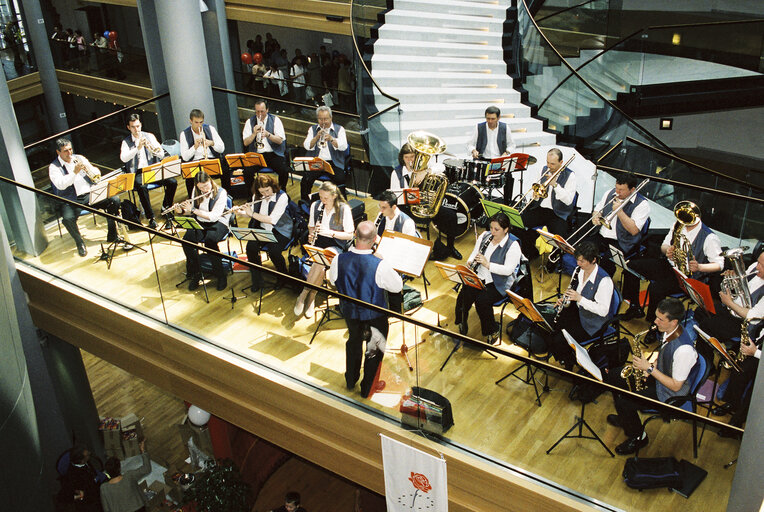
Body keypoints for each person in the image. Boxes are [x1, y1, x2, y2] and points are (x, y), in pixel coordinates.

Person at [606, 297, 699, 455]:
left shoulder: (684, 350)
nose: (655, 321)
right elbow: (665, 357)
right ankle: (626, 419)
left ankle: (638, 437)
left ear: (674, 322)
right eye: (656, 316)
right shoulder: (668, 332)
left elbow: (676, 386)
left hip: (670, 393)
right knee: (615, 376)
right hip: (661, 376)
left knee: (624, 403)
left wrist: (649, 369)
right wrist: (653, 365)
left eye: (660, 319)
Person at [329, 220, 403, 397]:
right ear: (375, 239)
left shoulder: (339, 259)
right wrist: (384, 261)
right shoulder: (380, 264)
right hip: (374, 316)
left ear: (355, 235)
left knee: (354, 342)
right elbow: (397, 286)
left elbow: (333, 281)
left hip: (349, 312)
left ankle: (350, 379)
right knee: (374, 350)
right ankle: (367, 388)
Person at [622, 204, 723, 322]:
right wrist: (667, 250)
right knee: (630, 266)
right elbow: (664, 246)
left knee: (656, 289)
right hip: (669, 266)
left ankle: (653, 325)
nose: (684, 220)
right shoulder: (678, 224)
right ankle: (634, 306)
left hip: (687, 276)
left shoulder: (709, 237)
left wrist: (699, 267)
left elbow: (719, 265)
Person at [541, 241, 616, 368]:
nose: (578, 264)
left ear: (593, 260)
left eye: (582, 261)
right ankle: (564, 356)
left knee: (560, 339)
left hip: (593, 323)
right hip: (579, 311)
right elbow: (574, 292)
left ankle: (569, 362)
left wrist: (580, 299)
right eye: (577, 260)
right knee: (549, 327)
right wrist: (565, 300)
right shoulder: (579, 270)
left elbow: (603, 311)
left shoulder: (604, 281)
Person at [455, 212, 524, 345]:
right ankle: (461, 321)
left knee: (482, 301)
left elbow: (508, 270)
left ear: (506, 229)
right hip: (480, 275)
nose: (492, 232)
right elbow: (475, 252)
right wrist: (470, 263)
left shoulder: (513, 245)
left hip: (499, 282)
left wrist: (488, 264)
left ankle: (491, 330)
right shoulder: (485, 236)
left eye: (496, 229)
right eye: (491, 228)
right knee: (464, 294)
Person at [49, 138, 120, 257]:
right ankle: (79, 242)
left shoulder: (79, 158)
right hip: (71, 200)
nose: (69, 153)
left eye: (70, 149)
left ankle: (112, 233)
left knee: (114, 200)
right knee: (67, 219)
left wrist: (90, 170)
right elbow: (61, 185)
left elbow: (95, 172)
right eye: (65, 151)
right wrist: (74, 173)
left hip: (89, 194)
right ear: (58, 152)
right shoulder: (54, 167)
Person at [294, 182, 354, 318]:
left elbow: (350, 235)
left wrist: (330, 232)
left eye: (325, 198)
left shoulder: (344, 209)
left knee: (320, 261)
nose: (322, 200)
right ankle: (311, 299)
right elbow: (311, 226)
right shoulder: (316, 206)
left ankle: (304, 295)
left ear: (334, 196)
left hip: (337, 243)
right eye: (320, 197)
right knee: (319, 264)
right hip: (319, 241)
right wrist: (310, 235)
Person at [391, 143, 461, 259]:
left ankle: (450, 247)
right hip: (407, 208)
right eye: (406, 157)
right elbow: (395, 197)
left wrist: (426, 172)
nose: (410, 160)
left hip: (425, 204)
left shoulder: (423, 168)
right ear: (402, 158)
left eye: (412, 157)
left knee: (451, 216)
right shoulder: (396, 173)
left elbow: (441, 167)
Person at [516, 147, 576, 261]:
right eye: (547, 162)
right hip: (541, 209)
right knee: (518, 222)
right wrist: (535, 196)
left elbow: (568, 200)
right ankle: (530, 251)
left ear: (561, 163)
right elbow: (536, 188)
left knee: (558, 237)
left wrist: (556, 185)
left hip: (558, 213)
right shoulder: (544, 170)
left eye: (552, 164)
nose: (549, 166)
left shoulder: (570, 176)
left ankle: (553, 260)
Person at [697, 250, 764, 351]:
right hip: (732, 309)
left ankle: (707, 358)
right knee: (700, 310)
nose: (757, 267)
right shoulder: (755, 266)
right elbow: (743, 282)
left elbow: (753, 316)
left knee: (707, 326)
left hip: (744, 324)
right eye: (758, 262)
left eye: (762, 266)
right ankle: (712, 345)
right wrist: (734, 278)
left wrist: (729, 303)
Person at [174, 171, 230, 292]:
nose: (204, 190)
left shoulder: (221, 193)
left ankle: (221, 275)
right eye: (201, 187)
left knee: (210, 241)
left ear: (210, 180)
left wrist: (193, 209)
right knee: (187, 241)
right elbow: (192, 210)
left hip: (219, 222)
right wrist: (182, 211)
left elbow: (214, 216)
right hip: (201, 220)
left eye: (206, 186)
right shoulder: (196, 190)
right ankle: (197, 272)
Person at [120, 113, 177, 229]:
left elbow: (161, 153)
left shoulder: (149, 136)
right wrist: (137, 148)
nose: (136, 130)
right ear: (128, 127)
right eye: (133, 127)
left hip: (153, 168)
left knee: (172, 182)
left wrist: (153, 149)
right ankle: (151, 218)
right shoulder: (126, 142)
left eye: (138, 126)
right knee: (141, 187)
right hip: (138, 172)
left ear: (140, 125)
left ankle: (166, 207)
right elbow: (123, 158)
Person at [589, 173, 650, 276]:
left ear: (632, 189)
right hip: (602, 236)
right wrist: (596, 217)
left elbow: (634, 230)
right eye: (616, 188)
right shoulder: (609, 193)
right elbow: (597, 210)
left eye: (621, 190)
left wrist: (620, 212)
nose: (617, 192)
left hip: (623, 241)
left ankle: (603, 285)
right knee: (583, 251)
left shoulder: (642, 204)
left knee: (606, 263)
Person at [241, 174, 293, 291]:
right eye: (262, 192)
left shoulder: (282, 196)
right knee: (251, 247)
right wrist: (240, 212)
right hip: (263, 228)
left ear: (272, 186)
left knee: (274, 251)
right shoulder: (257, 196)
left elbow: (272, 220)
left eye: (267, 190)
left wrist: (251, 214)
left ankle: (283, 276)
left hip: (281, 229)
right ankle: (257, 279)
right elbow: (253, 212)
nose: (265, 194)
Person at [375, 190, 418, 313]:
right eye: (380, 206)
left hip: (399, 257)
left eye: (384, 207)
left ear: (394, 207)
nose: (381, 210)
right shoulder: (381, 215)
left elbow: (407, 249)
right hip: (381, 252)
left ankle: (389, 306)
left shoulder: (407, 222)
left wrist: (382, 243)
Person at [466, 105, 516, 204]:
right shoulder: (479, 127)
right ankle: (475, 202)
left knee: (509, 178)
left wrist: (507, 152)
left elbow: (512, 144)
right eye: (488, 118)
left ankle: (507, 203)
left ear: (498, 118)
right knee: (473, 177)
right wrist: (473, 150)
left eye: (493, 119)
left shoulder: (505, 127)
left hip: (499, 160)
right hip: (484, 160)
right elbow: (470, 144)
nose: (490, 121)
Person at [300, 105, 348, 201]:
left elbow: (344, 147)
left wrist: (331, 139)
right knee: (305, 180)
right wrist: (316, 137)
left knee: (340, 180)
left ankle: (342, 204)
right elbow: (307, 146)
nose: (323, 122)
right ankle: (305, 204)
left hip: (333, 162)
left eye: (326, 119)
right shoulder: (312, 129)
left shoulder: (339, 129)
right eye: (320, 119)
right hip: (317, 162)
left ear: (331, 118)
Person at [242, 99, 289, 191]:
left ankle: (281, 191)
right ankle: (252, 194)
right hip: (257, 155)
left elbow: (280, 141)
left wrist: (268, 135)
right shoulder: (249, 122)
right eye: (257, 111)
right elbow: (245, 143)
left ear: (267, 110)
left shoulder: (275, 120)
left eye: (262, 111)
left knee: (284, 170)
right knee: (247, 172)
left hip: (273, 154)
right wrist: (254, 134)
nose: (259, 114)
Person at [179, 109, 225, 196]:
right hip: (195, 162)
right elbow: (185, 157)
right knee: (189, 178)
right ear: (190, 121)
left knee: (225, 170)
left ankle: (226, 197)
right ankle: (193, 201)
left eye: (201, 122)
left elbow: (222, 148)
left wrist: (211, 143)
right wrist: (195, 147)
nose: (199, 125)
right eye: (196, 122)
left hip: (211, 160)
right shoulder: (184, 134)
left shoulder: (210, 129)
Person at [100, 438, 151, 512]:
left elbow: (106, 509)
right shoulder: (129, 476)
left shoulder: (104, 488)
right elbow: (147, 468)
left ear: (107, 472)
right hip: (139, 509)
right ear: (119, 468)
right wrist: (143, 450)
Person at [60, 444, 103, 512]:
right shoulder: (74, 476)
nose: (90, 454)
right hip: (91, 501)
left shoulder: (85, 463)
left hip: (96, 487)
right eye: (87, 455)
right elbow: (65, 496)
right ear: (81, 460)